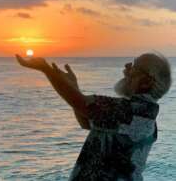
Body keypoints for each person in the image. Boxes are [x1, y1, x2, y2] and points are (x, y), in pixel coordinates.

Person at [16, 52, 172, 181]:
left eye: (134, 67)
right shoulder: (144, 113)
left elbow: (82, 104)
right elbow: (85, 121)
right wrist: (73, 87)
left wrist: (46, 69)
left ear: (146, 82)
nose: (126, 68)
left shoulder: (131, 112)